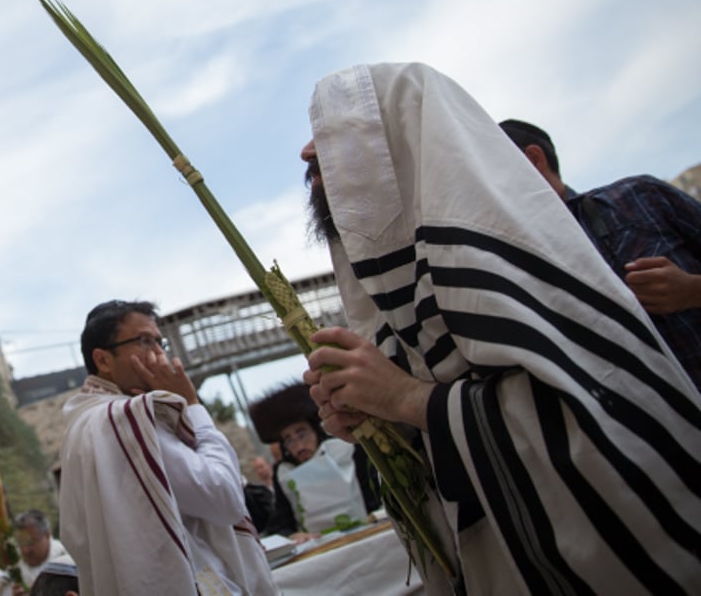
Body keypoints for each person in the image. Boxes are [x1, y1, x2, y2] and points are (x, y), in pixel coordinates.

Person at [298, 62, 701, 594]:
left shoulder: (531, 260)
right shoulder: (409, 303)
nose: (309, 153)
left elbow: (604, 433)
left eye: (339, 132)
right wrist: (381, 425)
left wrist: (407, 400)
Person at [58, 299, 277, 595]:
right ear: (104, 360)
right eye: (145, 341)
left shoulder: (84, 424)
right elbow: (224, 497)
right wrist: (193, 405)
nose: (160, 354)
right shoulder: (125, 420)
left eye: (160, 343)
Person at [499, 118, 701, 386]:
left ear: (534, 159)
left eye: (493, 172)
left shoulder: (641, 195)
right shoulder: (518, 266)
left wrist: (690, 291)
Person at [248, 381, 379, 539]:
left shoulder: (347, 449)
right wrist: (293, 535)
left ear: (316, 430)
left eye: (302, 434)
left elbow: (376, 496)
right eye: (288, 440)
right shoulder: (282, 472)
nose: (299, 446)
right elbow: (280, 525)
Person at [0, 509, 66, 596]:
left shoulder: (66, 560)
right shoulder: (13, 570)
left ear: (47, 535)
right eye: (21, 543)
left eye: (31, 543)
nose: (26, 550)